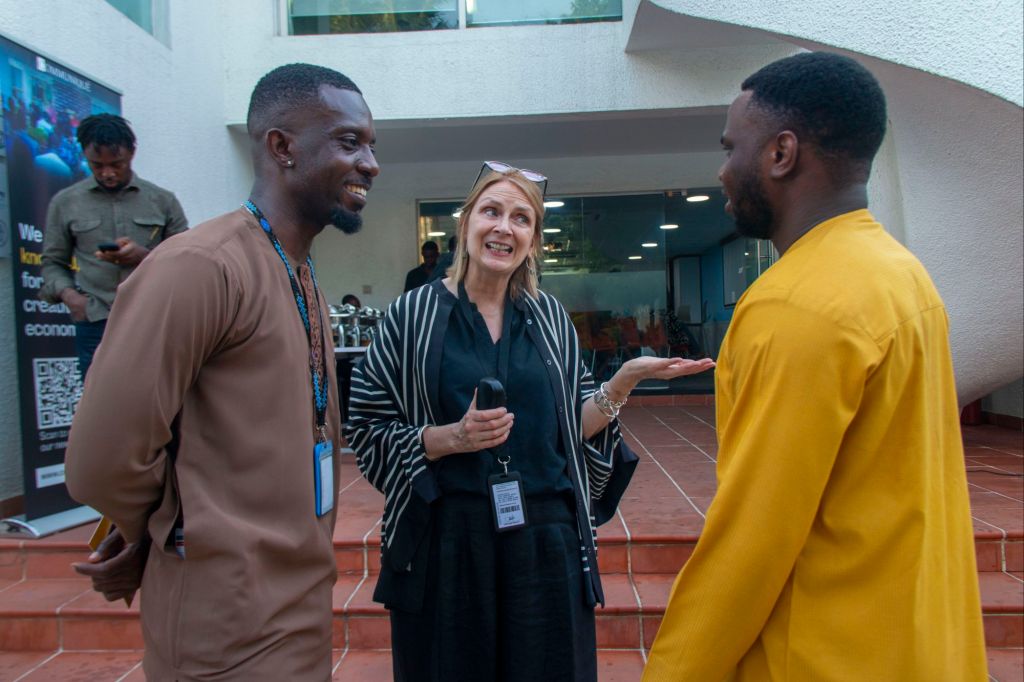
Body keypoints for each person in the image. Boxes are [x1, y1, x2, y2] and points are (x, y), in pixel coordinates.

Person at [642, 52, 987, 681]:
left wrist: (672, 671)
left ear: (781, 153)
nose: (722, 170)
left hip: (821, 657)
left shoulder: (793, 304)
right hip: (915, 648)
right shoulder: (904, 277)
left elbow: (752, 540)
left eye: (731, 148)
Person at [65, 63, 380, 680]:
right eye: (350, 141)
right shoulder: (200, 267)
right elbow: (101, 459)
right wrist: (160, 528)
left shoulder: (298, 272)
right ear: (282, 147)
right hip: (225, 631)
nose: (370, 163)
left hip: (298, 613)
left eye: (371, 145)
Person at [345, 161, 714, 681]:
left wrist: (620, 383)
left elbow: (570, 427)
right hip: (447, 541)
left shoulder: (551, 319)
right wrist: (450, 438)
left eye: (521, 218)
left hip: (544, 539)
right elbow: (365, 426)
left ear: (534, 240)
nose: (504, 227)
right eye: (491, 211)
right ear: (465, 223)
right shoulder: (412, 316)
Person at [39, 113, 188, 378]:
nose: (107, 173)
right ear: (85, 156)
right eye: (97, 165)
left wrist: (144, 256)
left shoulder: (162, 201)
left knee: (160, 396)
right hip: (95, 321)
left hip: (153, 321)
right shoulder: (66, 203)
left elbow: (188, 262)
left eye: (116, 164)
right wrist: (71, 298)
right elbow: (52, 263)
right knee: (98, 401)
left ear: (132, 152)